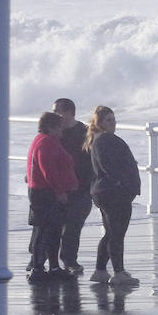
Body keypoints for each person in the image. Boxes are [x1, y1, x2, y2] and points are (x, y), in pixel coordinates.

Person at [84, 106, 142, 288]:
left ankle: (101, 270)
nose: (113, 123)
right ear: (99, 123)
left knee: (111, 232)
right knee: (117, 233)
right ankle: (118, 272)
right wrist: (122, 183)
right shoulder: (105, 140)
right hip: (113, 193)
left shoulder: (98, 140)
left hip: (104, 191)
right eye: (108, 120)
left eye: (114, 119)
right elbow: (108, 166)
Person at [25, 110, 78, 282]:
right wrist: (60, 191)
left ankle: (53, 267)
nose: (62, 132)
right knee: (44, 230)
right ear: (50, 128)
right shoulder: (46, 142)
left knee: (53, 230)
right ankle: (38, 268)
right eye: (59, 128)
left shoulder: (46, 141)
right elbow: (48, 170)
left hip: (44, 191)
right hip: (45, 193)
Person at [53, 98, 94, 275]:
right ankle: (42, 263)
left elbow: (95, 157)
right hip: (58, 187)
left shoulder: (84, 132)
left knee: (73, 226)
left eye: (57, 111)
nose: (54, 115)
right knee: (53, 226)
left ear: (69, 112)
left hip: (81, 187)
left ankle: (70, 261)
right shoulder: (54, 132)